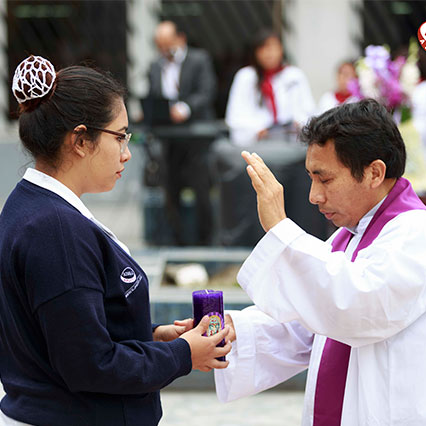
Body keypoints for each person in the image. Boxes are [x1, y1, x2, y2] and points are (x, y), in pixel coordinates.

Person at [0, 55, 230, 426]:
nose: (127, 152)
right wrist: (182, 354)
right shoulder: (56, 229)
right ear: (79, 139)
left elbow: (67, 333)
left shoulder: (32, 205)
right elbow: (90, 365)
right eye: (120, 136)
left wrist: (153, 337)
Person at [214, 99, 426, 425]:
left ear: (374, 172)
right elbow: (311, 323)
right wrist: (229, 333)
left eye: (324, 180)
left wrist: (280, 229)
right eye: (311, 179)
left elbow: (356, 306)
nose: (314, 196)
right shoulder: (350, 236)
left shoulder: (415, 233)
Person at [147, 21, 216, 245]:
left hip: (195, 136)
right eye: (160, 46)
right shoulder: (156, 66)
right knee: (170, 188)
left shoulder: (198, 59)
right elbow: (154, 94)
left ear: (180, 38)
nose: (165, 50)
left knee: (201, 189)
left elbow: (207, 91)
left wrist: (185, 108)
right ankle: (176, 241)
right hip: (169, 138)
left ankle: (205, 241)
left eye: (168, 44)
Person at [225, 29, 315, 146]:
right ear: (256, 52)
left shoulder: (294, 75)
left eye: (273, 48)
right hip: (257, 141)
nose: (269, 53)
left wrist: (298, 123)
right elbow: (236, 113)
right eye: (263, 48)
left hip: (290, 140)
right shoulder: (246, 76)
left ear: (281, 50)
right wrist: (257, 129)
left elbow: (308, 108)